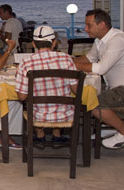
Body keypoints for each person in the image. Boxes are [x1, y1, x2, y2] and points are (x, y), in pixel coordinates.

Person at [15, 25, 78, 148]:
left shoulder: (26, 63)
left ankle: (40, 135)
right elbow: (76, 90)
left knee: (31, 102)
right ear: (54, 43)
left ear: (33, 44)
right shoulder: (67, 59)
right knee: (61, 96)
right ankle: (57, 135)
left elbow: (22, 96)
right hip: (65, 115)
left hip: (38, 115)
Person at [73, 9, 124, 149]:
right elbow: (89, 58)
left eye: (89, 25)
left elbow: (101, 69)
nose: (85, 29)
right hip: (113, 88)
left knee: (93, 104)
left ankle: (122, 131)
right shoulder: (99, 40)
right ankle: (113, 127)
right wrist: (65, 60)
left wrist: (70, 65)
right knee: (86, 97)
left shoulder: (117, 40)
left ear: (102, 24)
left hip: (122, 89)